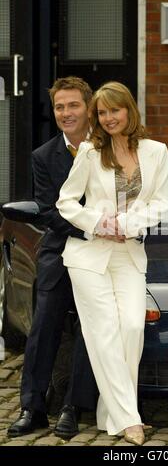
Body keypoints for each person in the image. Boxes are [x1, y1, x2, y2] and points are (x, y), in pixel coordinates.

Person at [56, 81, 168, 445]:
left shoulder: (156, 152)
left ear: (129, 111)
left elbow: (161, 203)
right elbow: (66, 202)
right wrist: (98, 223)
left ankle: (111, 413)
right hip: (88, 257)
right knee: (103, 333)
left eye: (114, 111)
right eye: (101, 113)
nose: (108, 118)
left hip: (130, 253)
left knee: (132, 330)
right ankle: (130, 420)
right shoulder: (90, 151)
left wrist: (126, 225)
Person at [8, 76, 98, 439]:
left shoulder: (109, 147)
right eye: (59, 107)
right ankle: (32, 407)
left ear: (89, 107)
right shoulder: (43, 156)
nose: (65, 113)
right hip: (60, 249)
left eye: (73, 105)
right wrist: (94, 228)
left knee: (90, 328)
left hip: (103, 255)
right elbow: (48, 212)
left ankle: (72, 407)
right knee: (44, 323)